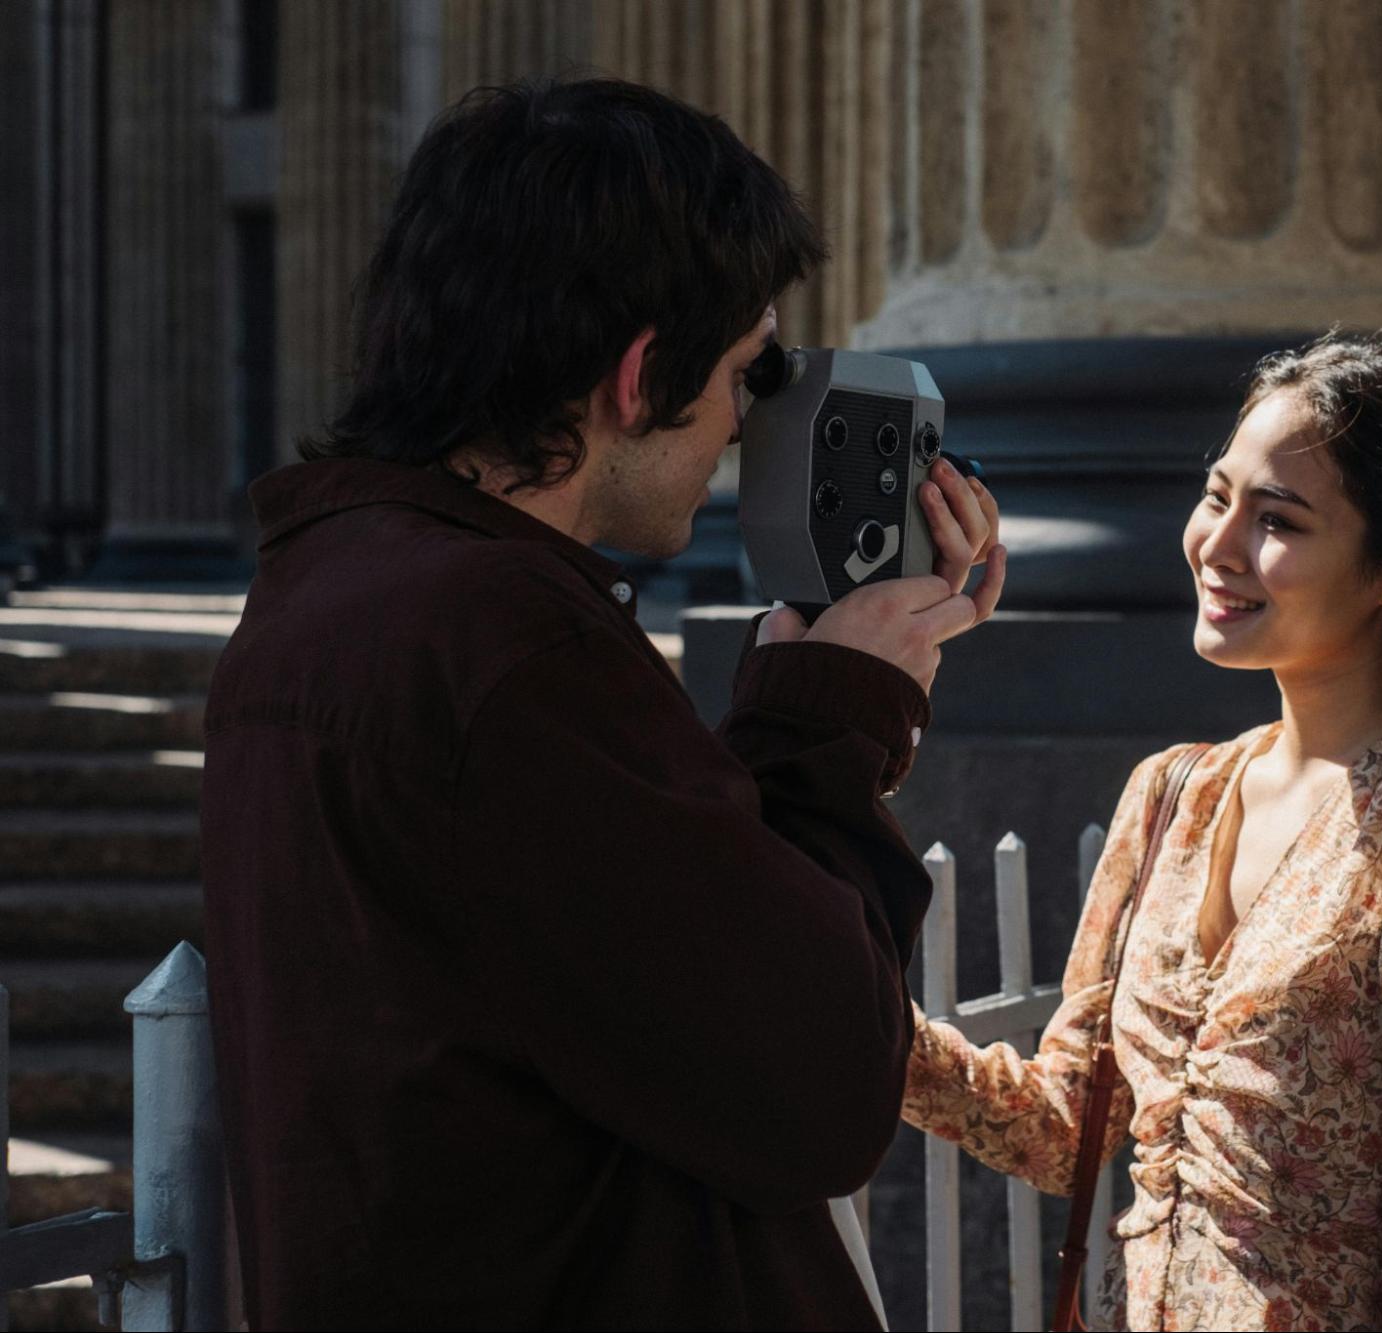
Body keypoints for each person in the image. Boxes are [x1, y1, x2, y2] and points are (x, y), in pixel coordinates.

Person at [200, 78, 1001, 1330]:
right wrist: (840, 718)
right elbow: (818, 1088)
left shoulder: (333, 582)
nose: (744, 424)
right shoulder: (502, 641)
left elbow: (619, 963)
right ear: (638, 375)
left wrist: (811, 679)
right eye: (743, 372)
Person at [900, 334, 1382, 1331]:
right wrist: (858, 1019)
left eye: (1279, 520)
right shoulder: (1174, 794)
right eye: (1217, 496)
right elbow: (1065, 1129)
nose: (1217, 546)